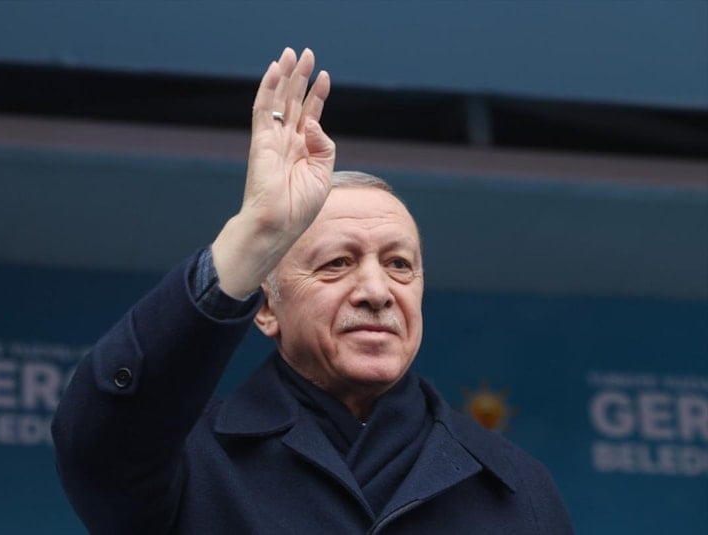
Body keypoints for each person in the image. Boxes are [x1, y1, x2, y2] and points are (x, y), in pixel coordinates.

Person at [52, 47, 573, 534]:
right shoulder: (192, 460)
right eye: (337, 264)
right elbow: (98, 446)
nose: (376, 291)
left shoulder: (515, 488)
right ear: (266, 308)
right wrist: (257, 232)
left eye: (399, 265)